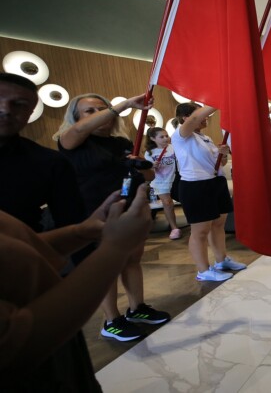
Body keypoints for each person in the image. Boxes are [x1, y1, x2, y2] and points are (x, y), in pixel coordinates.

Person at [1, 184, 152, 391]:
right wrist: (115, 248)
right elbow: (15, 343)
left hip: (60, 362)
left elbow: (14, 254)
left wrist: (80, 232)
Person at [54, 92, 171, 342]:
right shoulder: (71, 141)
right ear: (76, 117)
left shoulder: (121, 143)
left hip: (128, 210)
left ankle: (137, 308)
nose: (98, 115)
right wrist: (127, 104)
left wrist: (143, 166)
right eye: (90, 111)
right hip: (94, 211)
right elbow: (80, 130)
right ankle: (111, 320)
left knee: (131, 260)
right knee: (106, 266)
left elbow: (149, 176)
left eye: (101, 109)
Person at [170, 102, 246, 282]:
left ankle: (221, 260)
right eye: (201, 115)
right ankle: (203, 270)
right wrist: (220, 100)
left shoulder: (205, 138)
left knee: (218, 224)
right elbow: (196, 117)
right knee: (200, 230)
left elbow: (220, 164)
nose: (206, 118)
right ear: (185, 118)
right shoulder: (181, 135)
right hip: (196, 185)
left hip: (215, 183)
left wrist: (223, 154)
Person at [0, 73, 84, 234]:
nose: (5, 109)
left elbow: (70, 226)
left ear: (30, 113)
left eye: (19, 104)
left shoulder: (50, 163)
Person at [144, 127, 181, 239]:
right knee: (167, 203)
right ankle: (174, 228)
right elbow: (148, 172)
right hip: (160, 181)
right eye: (162, 137)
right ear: (152, 138)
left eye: (166, 136)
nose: (166, 138)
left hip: (176, 179)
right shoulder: (149, 153)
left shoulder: (173, 148)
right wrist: (152, 166)